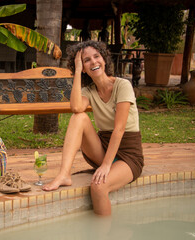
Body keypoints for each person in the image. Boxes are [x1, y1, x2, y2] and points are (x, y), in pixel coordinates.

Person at [42, 40, 144, 216]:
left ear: (104, 60)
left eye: (97, 56)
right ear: (82, 67)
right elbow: (75, 107)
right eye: (86, 60)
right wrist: (77, 71)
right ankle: (64, 174)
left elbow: (119, 130)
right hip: (103, 148)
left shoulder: (122, 85)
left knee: (98, 187)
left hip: (128, 155)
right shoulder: (89, 91)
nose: (94, 62)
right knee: (79, 117)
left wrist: (105, 166)